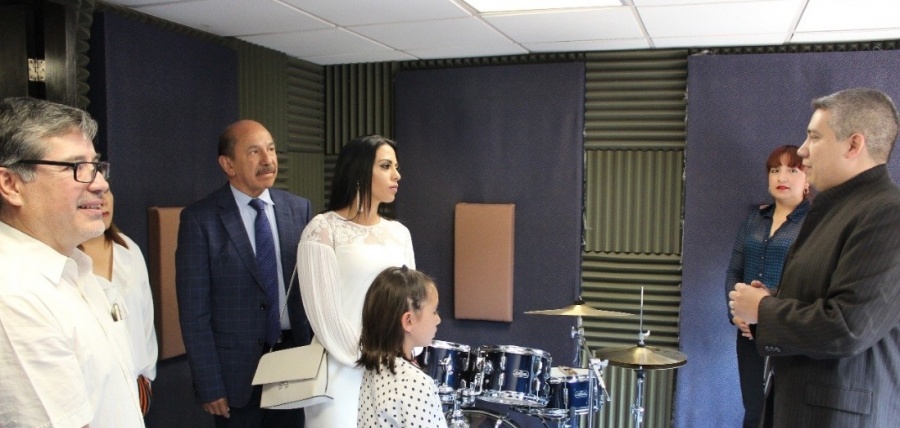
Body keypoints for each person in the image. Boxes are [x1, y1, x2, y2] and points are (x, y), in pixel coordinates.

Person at [729, 88, 900, 427]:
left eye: (814, 137)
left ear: (853, 145)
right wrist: (770, 299)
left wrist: (764, 310)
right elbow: (826, 298)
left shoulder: (887, 214)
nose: (803, 151)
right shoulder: (837, 209)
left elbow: (849, 326)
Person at [0, 97, 144, 426]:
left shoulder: (74, 270)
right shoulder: (15, 297)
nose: (101, 184)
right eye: (75, 167)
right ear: (11, 185)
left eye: (96, 166)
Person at [176, 119, 313, 427]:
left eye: (271, 149)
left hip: (292, 362)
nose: (268, 160)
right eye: (254, 152)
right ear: (228, 164)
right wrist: (209, 384)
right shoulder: (200, 219)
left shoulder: (298, 209)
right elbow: (194, 312)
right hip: (235, 374)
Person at [296, 134, 415, 427]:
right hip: (339, 371)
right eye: (385, 166)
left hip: (391, 370)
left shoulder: (399, 233)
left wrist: (402, 354)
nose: (396, 175)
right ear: (359, 170)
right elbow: (323, 313)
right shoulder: (322, 229)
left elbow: (412, 302)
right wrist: (366, 357)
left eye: (396, 167)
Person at [724, 145, 810, 428]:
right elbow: (734, 271)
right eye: (775, 170)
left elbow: (810, 282)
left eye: (792, 170)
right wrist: (736, 314)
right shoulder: (754, 220)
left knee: (783, 411)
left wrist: (765, 312)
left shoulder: (814, 223)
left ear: (807, 179)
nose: (781, 177)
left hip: (787, 331)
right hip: (748, 333)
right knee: (753, 408)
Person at [80, 188, 159, 416]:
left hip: (135, 386)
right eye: (94, 194)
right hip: (90, 394)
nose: (103, 201)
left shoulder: (129, 248)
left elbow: (146, 321)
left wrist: (145, 380)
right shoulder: (64, 259)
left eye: (107, 191)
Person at [357, 266, 446, 428]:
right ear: (408, 321)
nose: (438, 319)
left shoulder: (373, 368)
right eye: (434, 311)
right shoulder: (416, 384)